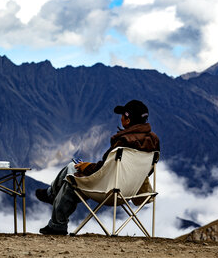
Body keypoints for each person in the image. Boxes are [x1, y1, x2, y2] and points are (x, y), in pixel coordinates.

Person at [36, 99, 160, 235]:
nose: (121, 119)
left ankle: (57, 223)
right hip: (129, 191)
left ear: (128, 119)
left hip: (109, 190)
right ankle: (51, 195)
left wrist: (86, 167)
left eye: (122, 116)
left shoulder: (123, 142)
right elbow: (146, 171)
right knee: (73, 168)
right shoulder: (153, 142)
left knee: (71, 176)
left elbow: (102, 169)